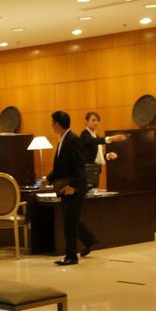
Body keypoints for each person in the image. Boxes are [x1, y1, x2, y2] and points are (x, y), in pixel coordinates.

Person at [44, 110, 97, 266]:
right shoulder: (62, 139)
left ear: (58, 124)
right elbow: (60, 167)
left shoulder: (73, 139)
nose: (51, 125)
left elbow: (80, 166)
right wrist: (48, 179)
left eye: (52, 122)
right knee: (70, 219)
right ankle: (87, 242)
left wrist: (72, 186)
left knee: (69, 221)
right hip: (65, 187)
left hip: (75, 188)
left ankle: (71, 256)